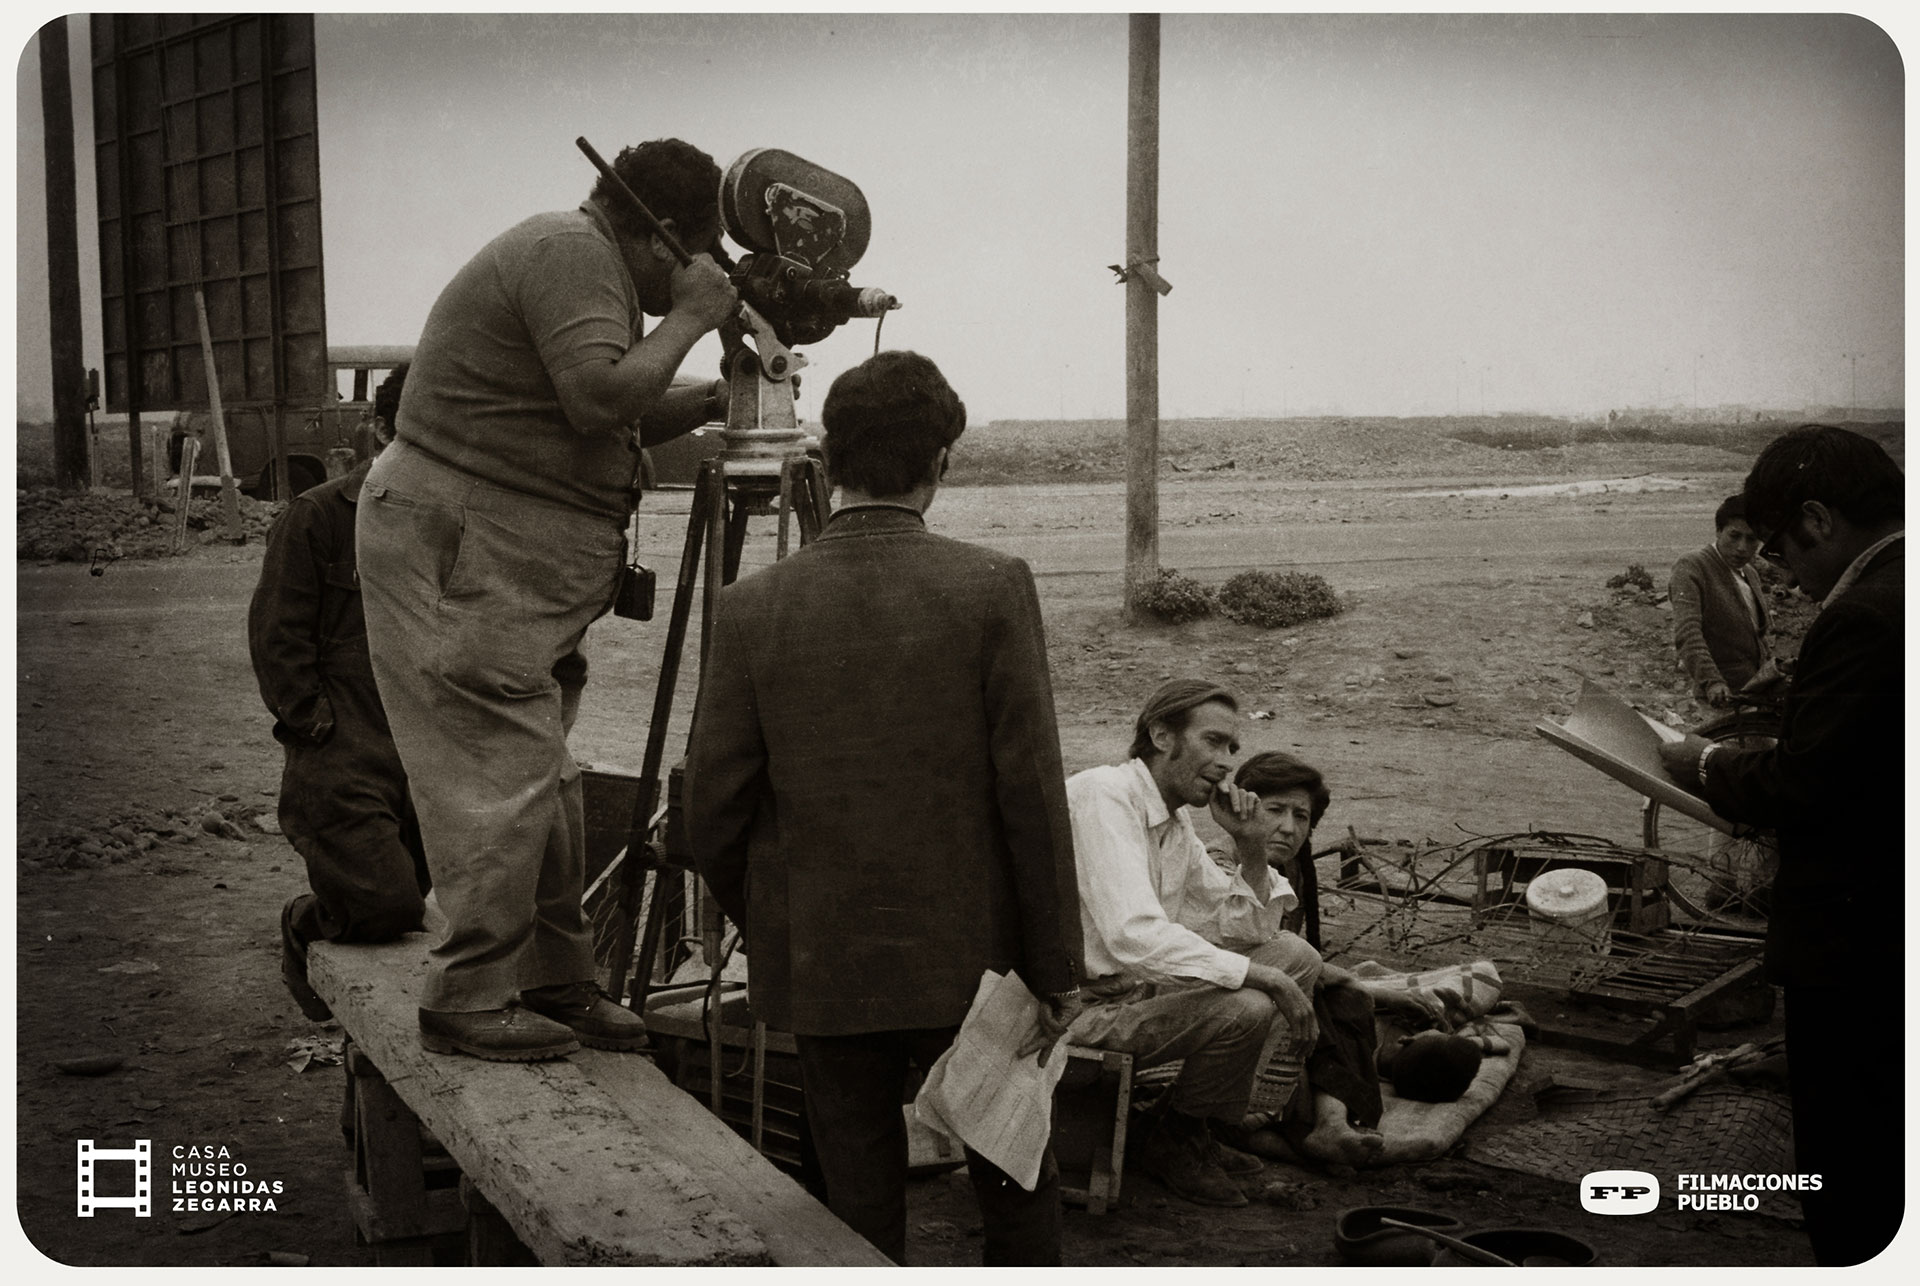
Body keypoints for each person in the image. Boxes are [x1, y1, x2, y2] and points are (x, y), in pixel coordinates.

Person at [684, 350, 1083, 1266]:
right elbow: (1032, 795)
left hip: (825, 964)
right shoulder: (993, 587)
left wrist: (780, 923)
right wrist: (1056, 963)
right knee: (1015, 1175)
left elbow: (711, 813)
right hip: (980, 968)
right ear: (941, 462)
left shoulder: (750, 609)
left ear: (827, 458)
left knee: (854, 1198)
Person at [356, 138, 738, 1062]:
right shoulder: (570, 251)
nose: (700, 275)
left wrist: (724, 395)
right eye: (697, 255)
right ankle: (467, 998)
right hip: (463, 554)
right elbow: (599, 397)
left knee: (549, 781)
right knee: (499, 774)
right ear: (660, 235)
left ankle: (553, 980)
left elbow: (624, 405)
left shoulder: (587, 267)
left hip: (499, 565)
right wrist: (690, 319)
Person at [1657, 425, 1903, 1267]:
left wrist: (1709, 761)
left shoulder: (1870, 613)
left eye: (1781, 552)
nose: (1785, 574)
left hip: (1861, 938)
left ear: (1818, 517)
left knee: (1851, 1149)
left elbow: (1811, 785)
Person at [1063, 680, 1324, 1208]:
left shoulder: (1174, 822)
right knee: (1249, 1002)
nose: (1227, 762)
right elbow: (1132, 933)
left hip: (1128, 994)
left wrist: (1251, 847)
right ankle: (1176, 1138)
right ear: (1161, 735)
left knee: (1295, 957)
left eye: (1232, 747)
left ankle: (1184, 1127)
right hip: (1068, 1010)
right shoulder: (1104, 795)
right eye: (1213, 741)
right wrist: (1262, 978)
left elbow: (1241, 929)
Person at [251, 364, 427, 1023]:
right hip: (345, 750)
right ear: (379, 430)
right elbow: (277, 638)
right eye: (414, 432)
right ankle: (303, 926)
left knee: (434, 906)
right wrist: (319, 732)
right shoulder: (318, 516)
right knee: (385, 907)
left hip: (427, 750)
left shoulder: (454, 524)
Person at [1191, 751, 1387, 1169]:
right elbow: (1238, 950)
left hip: (1268, 982)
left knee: (1347, 1000)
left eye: (1302, 816)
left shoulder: (1290, 866)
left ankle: (1330, 1125)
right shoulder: (1216, 861)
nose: (1289, 827)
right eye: (1275, 810)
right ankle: (1284, 1134)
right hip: (1213, 996)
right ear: (1241, 807)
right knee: (1328, 993)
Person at [1669, 493, 1774, 706]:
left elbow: (1759, 635)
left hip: (1755, 694)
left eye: (1751, 539)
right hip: (1722, 699)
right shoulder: (1692, 566)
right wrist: (1712, 681)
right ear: (1718, 531)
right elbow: (1688, 632)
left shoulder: (1750, 573)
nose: (1742, 547)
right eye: (1734, 536)